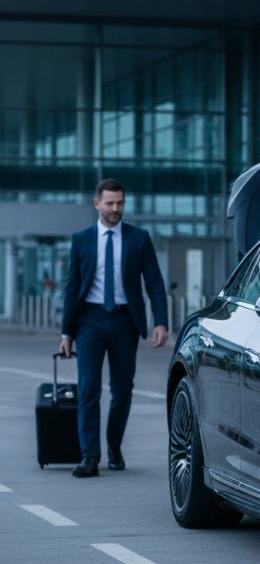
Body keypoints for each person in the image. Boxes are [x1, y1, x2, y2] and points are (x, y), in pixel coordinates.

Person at [58, 178, 169, 477]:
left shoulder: (138, 238)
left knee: (122, 390)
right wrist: (66, 333)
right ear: (97, 204)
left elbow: (155, 283)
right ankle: (89, 458)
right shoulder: (81, 239)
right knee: (89, 389)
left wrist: (161, 321)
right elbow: (73, 287)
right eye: (109, 203)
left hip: (124, 321)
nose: (115, 208)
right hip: (90, 321)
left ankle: (114, 446)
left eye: (119, 203)